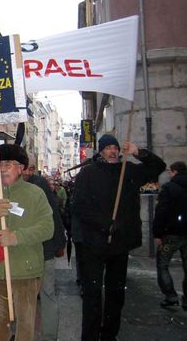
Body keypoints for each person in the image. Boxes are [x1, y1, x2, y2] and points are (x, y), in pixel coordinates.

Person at [71, 134, 166, 341]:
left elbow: (159, 166)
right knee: (92, 295)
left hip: (120, 245)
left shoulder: (129, 171)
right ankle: (90, 336)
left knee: (116, 294)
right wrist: (105, 224)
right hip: (94, 245)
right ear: (101, 151)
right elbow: (78, 206)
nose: (112, 151)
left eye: (115, 147)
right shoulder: (87, 174)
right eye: (108, 148)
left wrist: (139, 152)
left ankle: (109, 335)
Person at [0, 144, 54, 341]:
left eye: (8, 163)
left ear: (21, 167)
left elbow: (47, 228)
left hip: (27, 272)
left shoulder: (36, 194)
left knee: (25, 326)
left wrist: (17, 237)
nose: (2, 167)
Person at [22, 164, 67, 341]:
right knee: (46, 294)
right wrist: (60, 244)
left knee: (27, 296)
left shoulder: (33, 188)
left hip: (34, 250)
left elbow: (53, 218)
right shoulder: (43, 189)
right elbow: (55, 217)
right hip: (43, 250)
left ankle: (26, 335)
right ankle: (49, 336)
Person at [153, 161, 187, 309]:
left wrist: (158, 233)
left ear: (173, 172)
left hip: (171, 233)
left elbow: (161, 212)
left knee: (162, 265)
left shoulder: (169, 188)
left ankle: (171, 297)